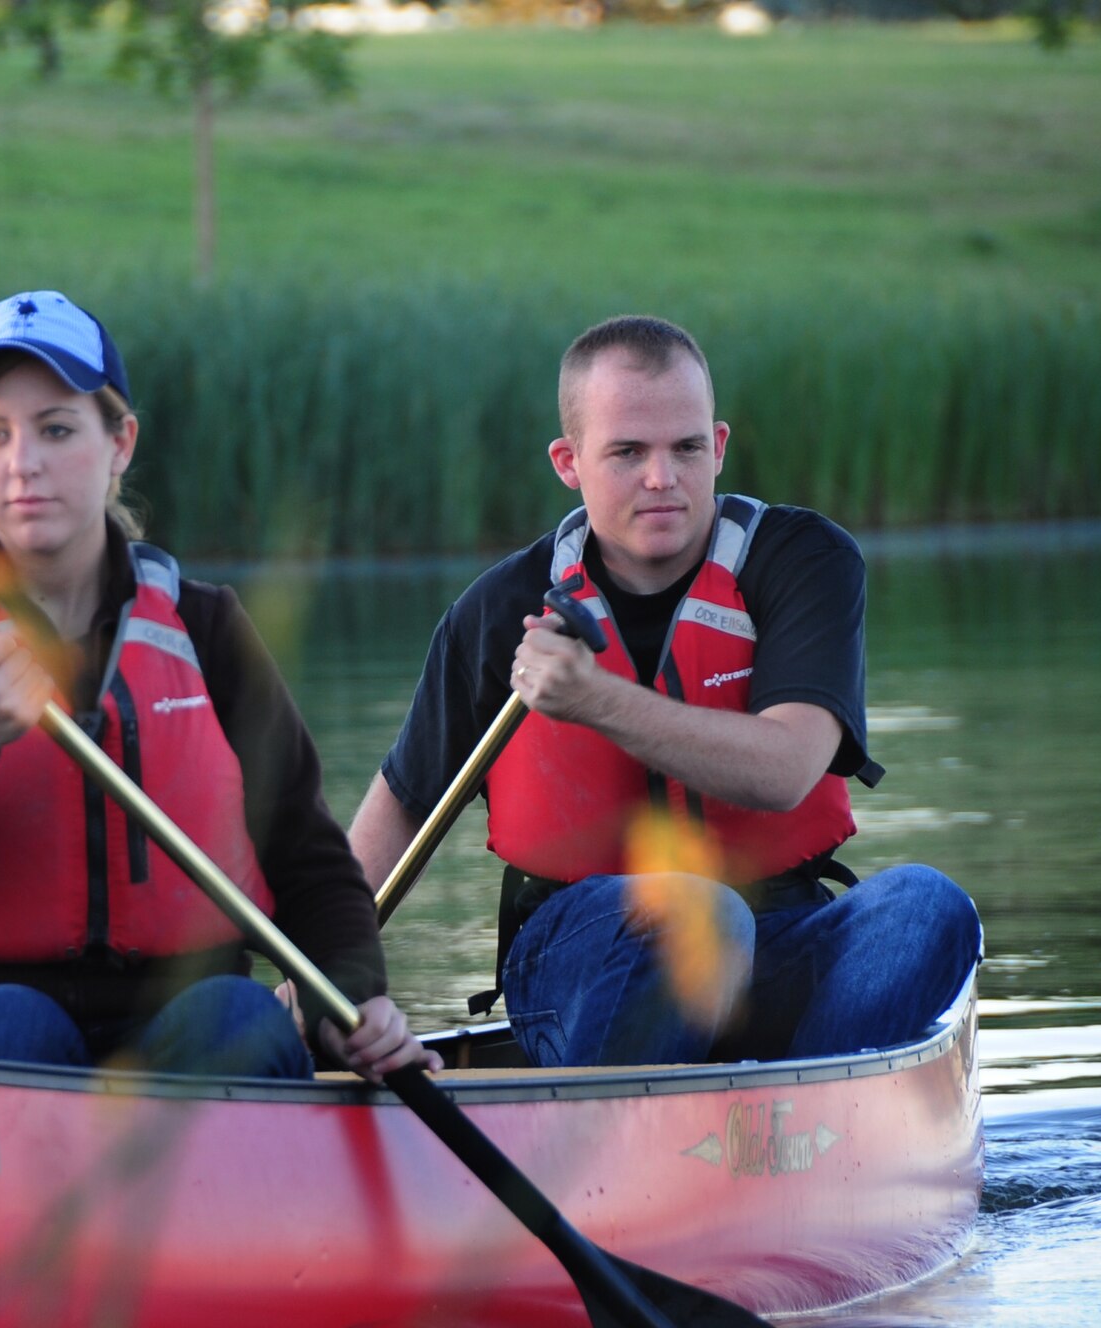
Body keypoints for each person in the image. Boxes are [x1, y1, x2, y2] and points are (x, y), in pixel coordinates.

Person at [0, 290, 438, 1083]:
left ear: (121, 443)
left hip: (189, 1019)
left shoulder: (205, 625)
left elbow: (306, 855)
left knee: (238, 1019)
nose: (22, 463)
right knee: (14, 1025)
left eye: (57, 429)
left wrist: (349, 998)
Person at [346, 314, 981, 1069]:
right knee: (694, 915)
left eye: (685, 448)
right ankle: (649, 1125)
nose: (662, 478)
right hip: (581, 963)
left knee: (929, 908)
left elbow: (782, 772)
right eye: (627, 453)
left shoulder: (804, 563)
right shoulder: (498, 609)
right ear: (569, 461)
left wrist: (596, 699)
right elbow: (399, 805)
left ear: (717, 447)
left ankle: (797, 1114)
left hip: (776, 934)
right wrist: (323, 983)